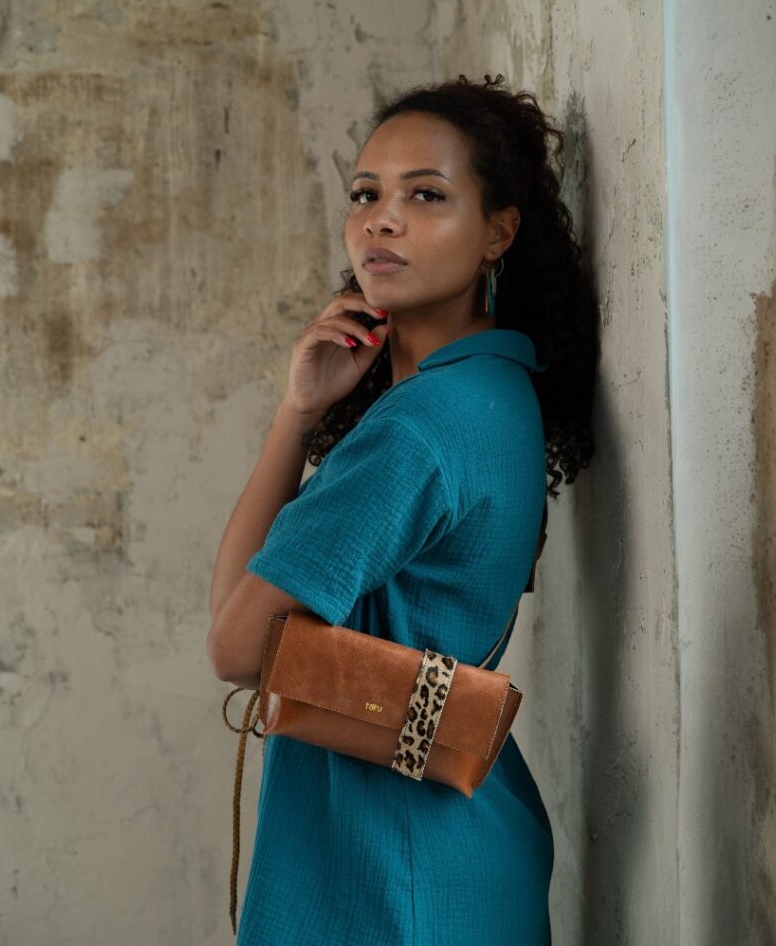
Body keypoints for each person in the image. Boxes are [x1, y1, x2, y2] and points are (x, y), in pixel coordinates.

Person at [207, 74, 598, 945]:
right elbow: (242, 615)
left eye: (426, 195)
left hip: (385, 869)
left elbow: (234, 643)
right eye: (365, 195)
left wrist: (294, 422)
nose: (381, 221)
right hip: (457, 844)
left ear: (499, 230)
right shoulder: (497, 389)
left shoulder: (418, 428)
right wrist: (301, 411)